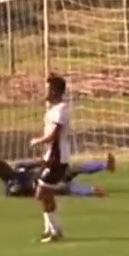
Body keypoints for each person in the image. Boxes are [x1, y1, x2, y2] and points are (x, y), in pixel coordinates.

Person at [30, 75, 72, 242]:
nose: (45, 91)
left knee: (41, 193)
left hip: (58, 159)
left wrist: (37, 141)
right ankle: (51, 229)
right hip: (52, 157)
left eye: (47, 88)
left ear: (54, 90)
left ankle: (55, 230)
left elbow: (54, 136)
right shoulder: (54, 109)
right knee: (44, 193)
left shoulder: (61, 110)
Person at [0, 154, 115, 198]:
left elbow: (38, 163)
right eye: (2, 166)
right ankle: (93, 192)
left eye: (3, 163)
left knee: (74, 168)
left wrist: (47, 163)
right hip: (44, 184)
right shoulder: (10, 189)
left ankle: (106, 165)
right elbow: (29, 191)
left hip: (49, 173)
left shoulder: (19, 166)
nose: (6, 164)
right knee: (65, 188)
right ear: (0, 173)